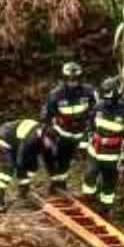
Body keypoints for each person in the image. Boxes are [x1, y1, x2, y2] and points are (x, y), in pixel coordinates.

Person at [81, 76, 124, 214]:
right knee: (90, 174)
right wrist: (84, 143)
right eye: (104, 94)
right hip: (94, 151)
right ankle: (89, 199)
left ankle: (105, 208)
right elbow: (89, 125)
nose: (106, 99)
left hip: (113, 155)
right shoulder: (98, 106)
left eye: (109, 94)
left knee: (109, 182)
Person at [41, 62, 98, 194]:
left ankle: (92, 189)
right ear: (64, 79)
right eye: (69, 79)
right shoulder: (55, 94)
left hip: (84, 133)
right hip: (64, 133)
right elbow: (47, 114)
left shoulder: (89, 91)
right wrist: (48, 129)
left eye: (75, 79)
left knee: (93, 160)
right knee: (62, 159)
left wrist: (93, 125)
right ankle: (59, 184)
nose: (73, 82)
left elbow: (98, 108)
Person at [0, 118, 56, 211]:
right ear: (44, 136)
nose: (49, 146)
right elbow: (20, 162)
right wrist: (22, 175)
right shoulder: (31, 139)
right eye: (49, 143)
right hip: (5, 138)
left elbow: (49, 160)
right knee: (9, 168)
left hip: (18, 141)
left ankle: (24, 192)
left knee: (33, 165)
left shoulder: (45, 137)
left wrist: (55, 179)